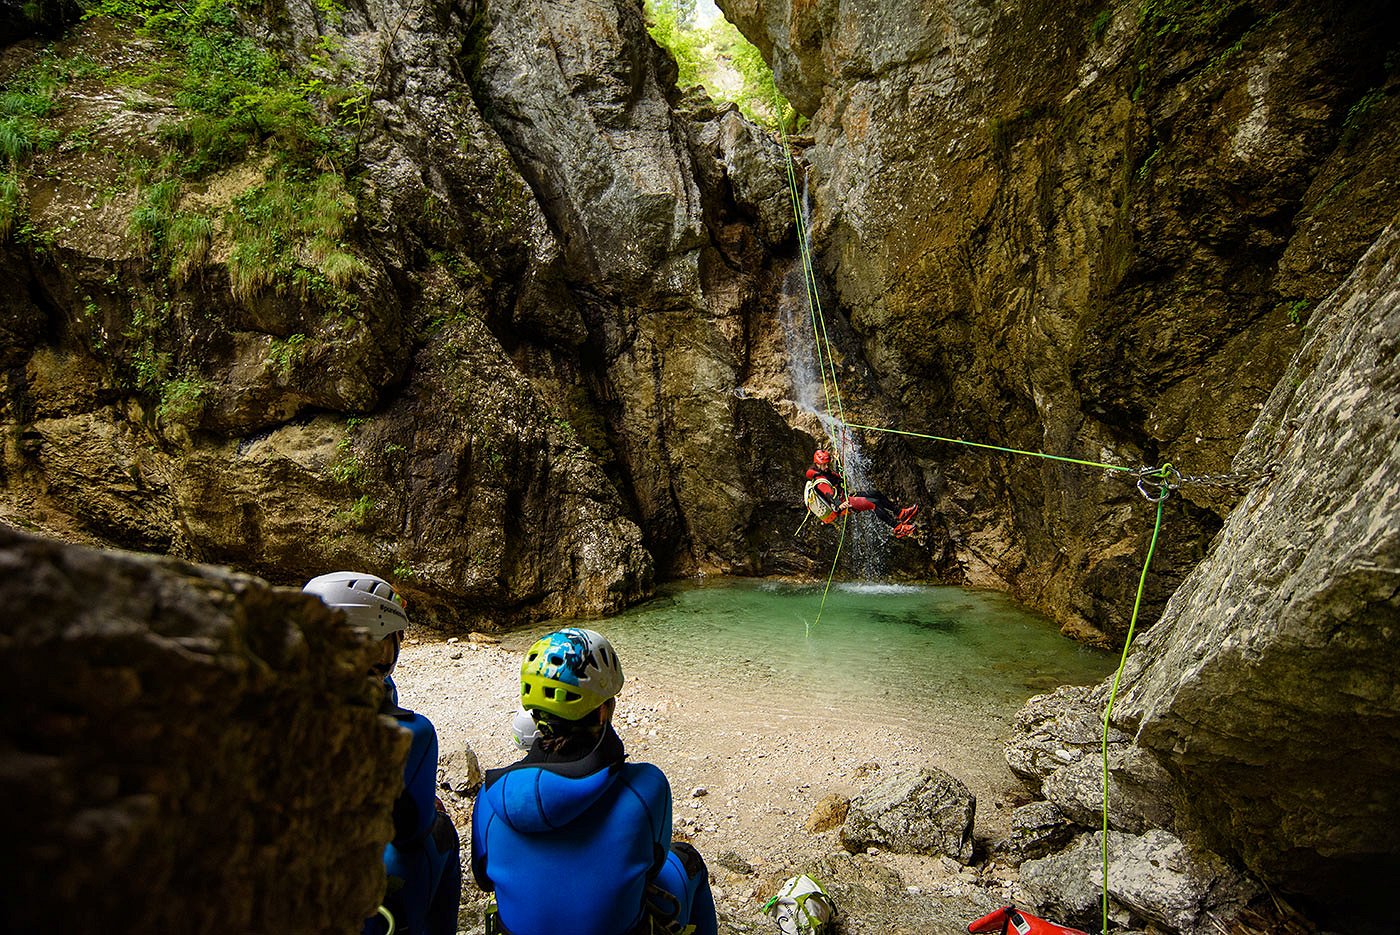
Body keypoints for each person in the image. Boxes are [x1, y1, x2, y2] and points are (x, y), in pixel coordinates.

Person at [472, 627, 718, 935]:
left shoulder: (490, 796)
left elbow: (483, 880)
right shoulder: (645, 788)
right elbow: (652, 867)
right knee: (688, 860)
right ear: (603, 712)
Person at [303, 572, 462, 935]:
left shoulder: (288, 702)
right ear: (372, 643)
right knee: (437, 830)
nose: (397, 646)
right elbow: (410, 830)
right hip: (356, 893)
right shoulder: (413, 734)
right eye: (392, 638)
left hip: (298, 879)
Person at [803, 449, 919, 538]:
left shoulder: (825, 472)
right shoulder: (819, 481)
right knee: (874, 503)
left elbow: (840, 478)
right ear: (817, 464)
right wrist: (839, 504)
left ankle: (900, 513)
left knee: (875, 493)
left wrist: (837, 460)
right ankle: (898, 528)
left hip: (845, 498)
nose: (827, 466)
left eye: (828, 463)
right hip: (842, 504)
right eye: (824, 465)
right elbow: (828, 493)